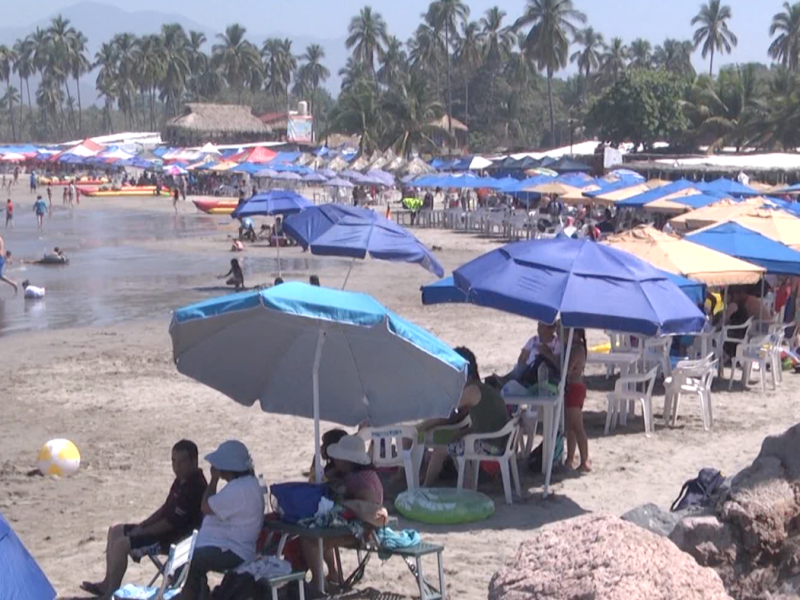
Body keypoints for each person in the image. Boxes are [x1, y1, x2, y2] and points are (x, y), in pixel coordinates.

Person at [80, 440, 207, 599]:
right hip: (165, 531)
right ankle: (107, 584)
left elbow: (168, 524)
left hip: (172, 540)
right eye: (173, 461)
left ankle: (111, 592)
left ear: (194, 461)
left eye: (182, 462)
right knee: (115, 529)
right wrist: (143, 525)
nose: (176, 466)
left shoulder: (194, 487)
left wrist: (141, 532)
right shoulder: (181, 480)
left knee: (122, 544)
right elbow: (164, 510)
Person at [182, 441, 264, 600]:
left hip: (233, 550)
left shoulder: (238, 489)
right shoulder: (247, 484)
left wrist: (213, 480)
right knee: (189, 559)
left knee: (189, 561)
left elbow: (205, 506)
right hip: (232, 546)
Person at [300, 435, 383, 591]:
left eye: (339, 458)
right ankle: (333, 574)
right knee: (320, 536)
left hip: (366, 532)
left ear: (349, 460)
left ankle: (320, 583)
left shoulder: (358, 480)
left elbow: (369, 507)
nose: (335, 460)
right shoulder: (365, 474)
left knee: (310, 539)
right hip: (367, 528)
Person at [421, 347, 510, 487]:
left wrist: (423, 425)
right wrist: (464, 432)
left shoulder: (471, 391)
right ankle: (467, 483)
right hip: (499, 442)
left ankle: (425, 487)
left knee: (439, 451)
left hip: (490, 446)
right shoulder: (483, 388)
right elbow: (485, 421)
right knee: (454, 444)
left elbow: (446, 409)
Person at [492, 322, 560, 387]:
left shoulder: (557, 343)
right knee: (521, 367)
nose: (539, 329)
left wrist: (545, 352)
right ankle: (505, 380)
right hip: (528, 368)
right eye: (538, 326)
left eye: (542, 327)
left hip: (545, 370)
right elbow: (521, 359)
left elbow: (556, 361)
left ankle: (504, 381)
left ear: (550, 329)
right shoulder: (534, 340)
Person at [564, 329, 590, 472]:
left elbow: (568, 369)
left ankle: (584, 460)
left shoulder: (577, 349)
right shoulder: (573, 348)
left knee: (577, 426)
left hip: (575, 388)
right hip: (572, 388)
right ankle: (570, 458)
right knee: (570, 427)